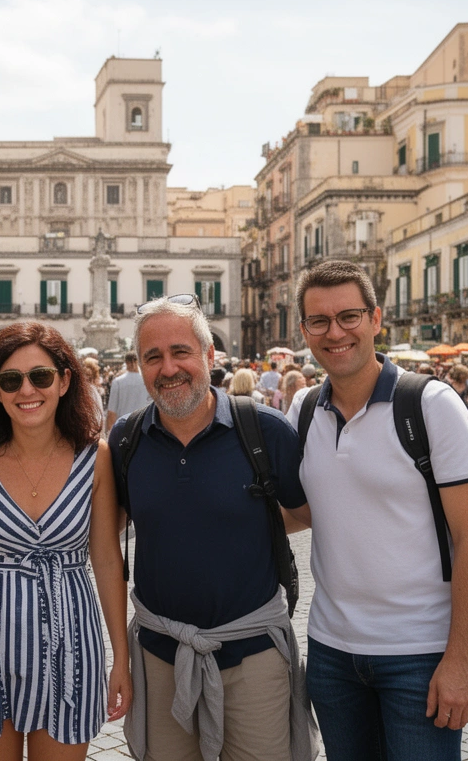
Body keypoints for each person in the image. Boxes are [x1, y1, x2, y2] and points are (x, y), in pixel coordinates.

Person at [286, 260, 468, 761]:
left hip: (419, 656)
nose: (335, 332)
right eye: (319, 321)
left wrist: (461, 660)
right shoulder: (303, 411)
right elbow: (309, 511)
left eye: (349, 316)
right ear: (305, 331)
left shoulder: (432, 405)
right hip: (331, 653)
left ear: (377, 319)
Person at [112, 300, 315, 761]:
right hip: (160, 657)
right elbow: (105, 534)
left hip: (255, 656)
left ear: (209, 356)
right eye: (153, 357)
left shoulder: (264, 430)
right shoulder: (126, 441)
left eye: (180, 352)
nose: (168, 368)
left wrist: (242, 519)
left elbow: (305, 513)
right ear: (140, 366)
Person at [0, 322, 131, 759]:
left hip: (71, 638)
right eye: (10, 379)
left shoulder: (94, 456)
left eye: (40, 376)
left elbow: (107, 560)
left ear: (63, 381)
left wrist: (122, 657)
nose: (27, 390)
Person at [105, 352, 151, 434]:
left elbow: (111, 413)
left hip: (122, 429)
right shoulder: (147, 381)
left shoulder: (117, 382)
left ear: (126, 362)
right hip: (142, 429)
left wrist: (109, 435)